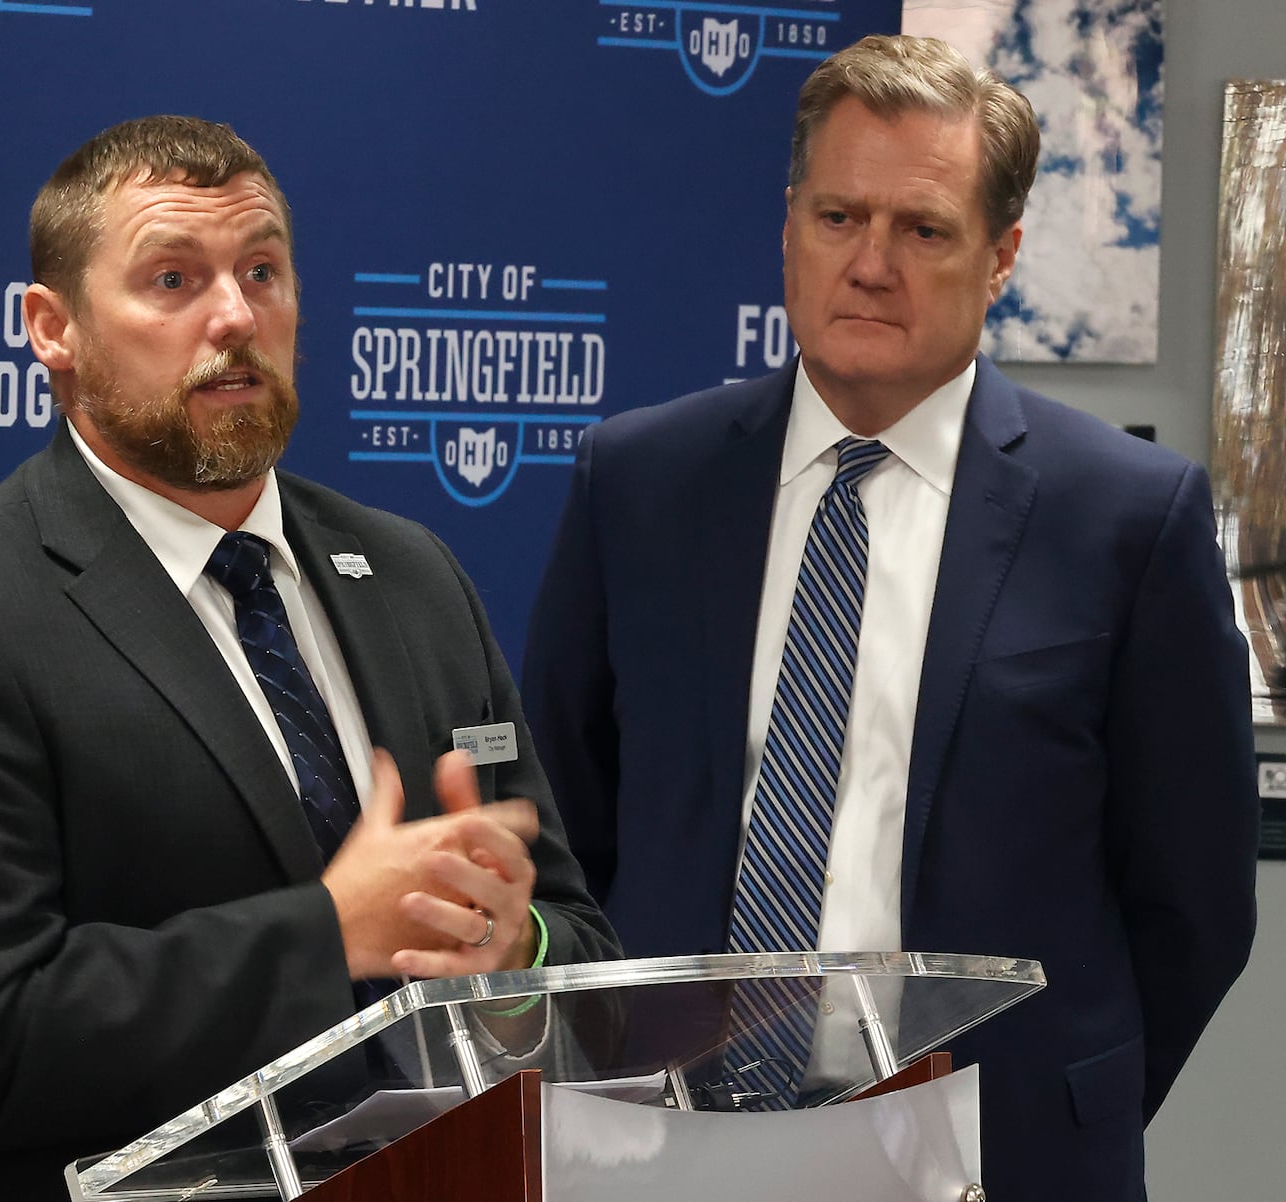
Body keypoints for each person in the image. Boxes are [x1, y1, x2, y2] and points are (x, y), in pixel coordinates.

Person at [0, 115, 619, 1202]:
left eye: (263, 271)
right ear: (52, 328)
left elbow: (576, 944)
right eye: (174, 279)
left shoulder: (413, 572)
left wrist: (511, 950)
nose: (235, 316)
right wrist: (333, 930)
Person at [522, 34, 1257, 1202]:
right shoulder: (637, 483)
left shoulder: (1125, 515)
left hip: (992, 1150)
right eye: (836, 217)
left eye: (921, 229)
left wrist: (1061, 1089)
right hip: (665, 1148)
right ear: (787, 227)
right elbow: (565, 829)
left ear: (1001, 253)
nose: (869, 264)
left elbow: (1195, 898)